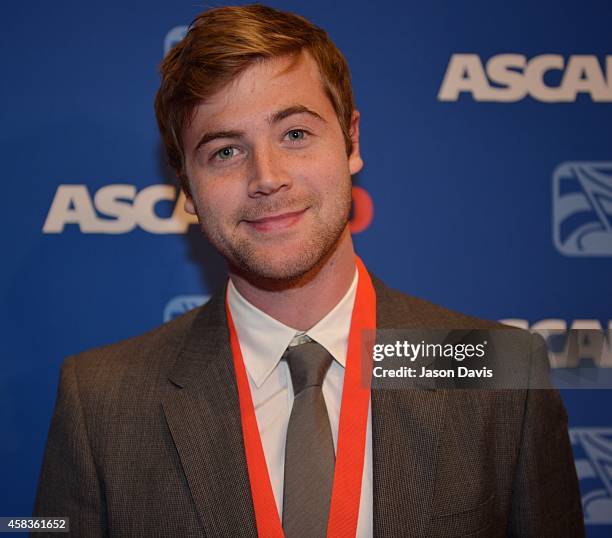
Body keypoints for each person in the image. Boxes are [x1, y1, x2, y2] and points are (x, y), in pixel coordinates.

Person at [34, 4, 584, 537]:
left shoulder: (499, 373)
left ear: (351, 141)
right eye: (225, 151)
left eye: (295, 134)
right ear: (188, 189)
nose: (267, 177)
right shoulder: (101, 403)